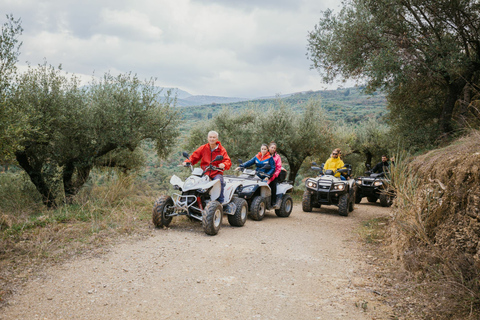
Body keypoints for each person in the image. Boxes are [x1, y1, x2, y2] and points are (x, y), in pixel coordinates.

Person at [183, 131, 231, 203]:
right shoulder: (203, 148)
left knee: (219, 182)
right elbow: (194, 156)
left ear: (217, 139)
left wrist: (224, 164)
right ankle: (191, 201)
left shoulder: (221, 149)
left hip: (216, 172)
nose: (212, 139)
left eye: (214, 137)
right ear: (208, 138)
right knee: (193, 181)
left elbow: (228, 161)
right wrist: (187, 161)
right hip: (204, 172)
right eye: (210, 137)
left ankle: (220, 202)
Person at [267, 142, 282, 207]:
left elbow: (279, 168)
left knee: (273, 186)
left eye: (274, 148)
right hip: (264, 173)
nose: (273, 149)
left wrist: (275, 175)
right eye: (272, 147)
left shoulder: (277, 157)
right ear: (269, 147)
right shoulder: (265, 154)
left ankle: (273, 202)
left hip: (274, 175)